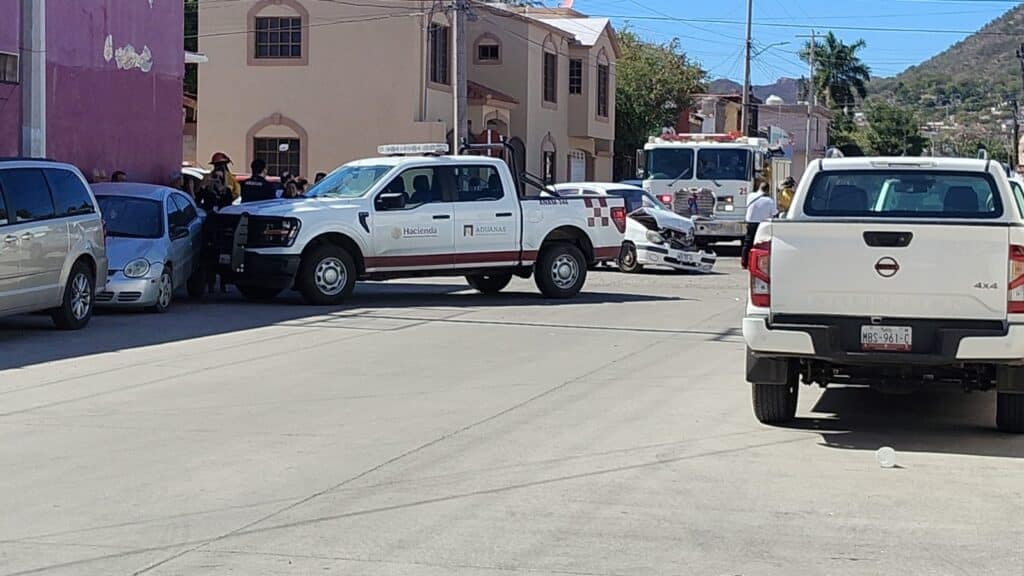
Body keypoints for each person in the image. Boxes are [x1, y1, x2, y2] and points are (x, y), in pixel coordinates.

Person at [741, 182, 777, 269]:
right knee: (761, 244)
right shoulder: (770, 201)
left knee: (747, 243)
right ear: (768, 190)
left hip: (751, 222)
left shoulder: (751, 196)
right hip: (762, 224)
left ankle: (744, 263)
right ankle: (758, 264)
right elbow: (774, 213)